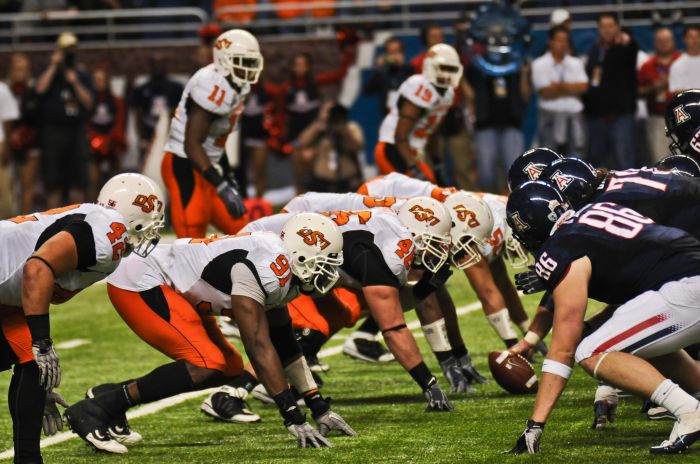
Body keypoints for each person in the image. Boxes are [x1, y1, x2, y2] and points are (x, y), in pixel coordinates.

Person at [65, 213, 355, 452]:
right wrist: (292, 416)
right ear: (301, 256)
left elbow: (285, 344)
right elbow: (258, 345)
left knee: (228, 368)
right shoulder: (265, 269)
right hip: (143, 278)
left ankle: (110, 397)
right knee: (207, 364)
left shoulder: (282, 271)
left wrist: (319, 407)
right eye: (324, 263)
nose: (327, 274)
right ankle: (97, 408)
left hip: (178, 290)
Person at [505, 181, 700, 455]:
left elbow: (563, 348)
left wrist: (535, 424)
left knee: (592, 350)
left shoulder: (559, 247)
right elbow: (631, 297)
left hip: (687, 287)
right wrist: (592, 326)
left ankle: (689, 411)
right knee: (632, 343)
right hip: (685, 278)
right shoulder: (593, 212)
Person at [0, 173, 164, 464]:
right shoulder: (110, 232)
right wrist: (43, 343)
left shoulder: (96, 222)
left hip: (4, 298)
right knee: (35, 359)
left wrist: (33, 392)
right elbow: (36, 269)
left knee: (33, 368)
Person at [241, 199, 458, 410]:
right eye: (436, 242)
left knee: (342, 313)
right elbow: (393, 328)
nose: (439, 249)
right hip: (268, 249)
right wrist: (429, 384)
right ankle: (234, 391)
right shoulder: (388, 252)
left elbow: (394, 304)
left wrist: (426, 287)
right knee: (297, 329)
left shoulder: (391, 236)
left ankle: (280, 382)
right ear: (416, 236)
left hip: (301, 249)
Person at [358, 172, 538, 351]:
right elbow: (487, 291)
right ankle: (362, 333)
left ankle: (364, 333)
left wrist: (529, 334)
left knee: (428, 284)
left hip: (417, 209)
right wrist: (515, 347)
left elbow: (502, 285)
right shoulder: (469, 229)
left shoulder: (498, 219)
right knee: (413, 284)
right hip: (377, 198)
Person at [161, 29, 257, 239]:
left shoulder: (238, 86)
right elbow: (192, 144)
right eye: (242, 61)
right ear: (224, 60)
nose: (248, 67)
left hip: (208, 169)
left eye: (251, 62)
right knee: (192, 240)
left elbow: (214, 141)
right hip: (185, 164)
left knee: (245, 233)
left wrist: (227, 178)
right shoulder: (211, 83)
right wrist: (221, 185)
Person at [376, 43, 463, 183]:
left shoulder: (448, 94)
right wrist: (413, 167)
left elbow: (431, 131)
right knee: (416, 197)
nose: (446, 74)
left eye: (450, 69)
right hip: (393, 148)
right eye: (442, 68)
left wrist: (437, 163)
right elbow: (400, 135)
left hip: (412, 151)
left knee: (431, 193)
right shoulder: (420, 86)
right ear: (430, 67)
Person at [35, 31, 94, 207]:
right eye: (65, 49)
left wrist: (75, 82)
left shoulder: (81, 73)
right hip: (53, 131)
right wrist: (54, 65)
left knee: (78, 178)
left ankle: (76, 219)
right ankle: (53, 220)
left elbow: (89, 103)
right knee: (53, 179)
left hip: (76, 129)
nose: (69, 53)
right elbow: (40, 90)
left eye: (71, 49)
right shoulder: (49, 72)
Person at [466, 48, 531, 192]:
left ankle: (513, 206)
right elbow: (469, 93)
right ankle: (488, 207)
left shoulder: (517, 62)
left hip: (512, 122)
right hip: (485, 123)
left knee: (515, 171)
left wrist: (525, 74)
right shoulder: (477, 63)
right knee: (486, 173)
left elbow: (525, 96)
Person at [583, 13, 639, 169]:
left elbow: (632, 50)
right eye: (603, 26)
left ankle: (629, 192)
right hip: (597, 117)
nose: (607, 30)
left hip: (621, 116)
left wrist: (627, 39)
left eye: (610, 26)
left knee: (624, 161)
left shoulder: (625, 46)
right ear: (599, 29)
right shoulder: (595, 49)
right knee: (595, 163)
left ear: (617, 28)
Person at [532, 26, 588, 154]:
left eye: (565, 40)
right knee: (549, 160)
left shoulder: (576, 63)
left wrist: (558, 86)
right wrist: (570, 87)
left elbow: (583, 87)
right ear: (550, 42)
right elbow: (545, 92)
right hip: (549, 118)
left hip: (573, 117)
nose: (562, 44)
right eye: (559, 40)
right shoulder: (539, 64)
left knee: (576, 160)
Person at [296, 102, 364, 193]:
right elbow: (302, 142)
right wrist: (319, 125)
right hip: (322, 181)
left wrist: (342, 130)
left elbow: (357, 146)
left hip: (347, 181)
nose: (331, 114)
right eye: (328, 111)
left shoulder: (350, 127)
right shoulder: (318, 129)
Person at [130, 54, 183, 165]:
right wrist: (142, 138)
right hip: (149, 134)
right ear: (150, 66)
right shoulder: (142, 89)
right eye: (155, 63)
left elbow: (181, 113)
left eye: (161, 63)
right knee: (148, 167)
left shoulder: (176, 87)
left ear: (166, 65)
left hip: (170, 136)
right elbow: (138, 115)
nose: (158, 67)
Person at [638, 28, 680, 162]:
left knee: (684, 157)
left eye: (666, 40)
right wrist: (652, 88)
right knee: (660, 159)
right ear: (654, 43)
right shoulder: (647, 65)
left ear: (673, 42)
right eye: (660, 41)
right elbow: (639, 91)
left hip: (682, 117)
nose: (663, 44)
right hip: (657, 118)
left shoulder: (682, 62)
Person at [7, 53, 40, 214]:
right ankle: (10, 219)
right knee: (10, 184)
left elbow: (38, 117)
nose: (19, 72)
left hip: (30, 143)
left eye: (23, 69)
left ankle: (26, 219)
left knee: (28, 184)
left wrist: (25, 136)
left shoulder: (34, 90)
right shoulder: (5, 90)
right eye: (16, 68)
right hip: (7, 143)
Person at [88, 67, 126, 201]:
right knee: (93, 181)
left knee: (114, 182)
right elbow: (87, 123)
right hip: (93, 144)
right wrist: (95, 140)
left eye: (102, 79)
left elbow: (120, 122)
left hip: (112, 143)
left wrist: (110, 140)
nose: (99, 83)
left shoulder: (117, 101)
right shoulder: (89, 101)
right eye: (96, 80)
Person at [363, 37, 415, 116]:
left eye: (396, 52)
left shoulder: (409, 70)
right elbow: (368, 91)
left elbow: (413, 90)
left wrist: (402, 67)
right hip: (387, 116)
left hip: (406, 116)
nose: (393, 55)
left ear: (402, 53)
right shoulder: (382, 73)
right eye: (390, 52)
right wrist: (378, 69)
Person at [0, 68, 20, 218]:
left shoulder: (3, 89)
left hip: (0, 143)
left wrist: (6, 147)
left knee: (4, 189)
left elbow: (8, 121)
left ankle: (6, 224)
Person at [669, 25, 700, 94]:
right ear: (684, 39)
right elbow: (675, 92)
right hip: (687, 103)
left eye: (698, 37)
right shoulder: (676, 65)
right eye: (690, 37)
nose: (694, 40)